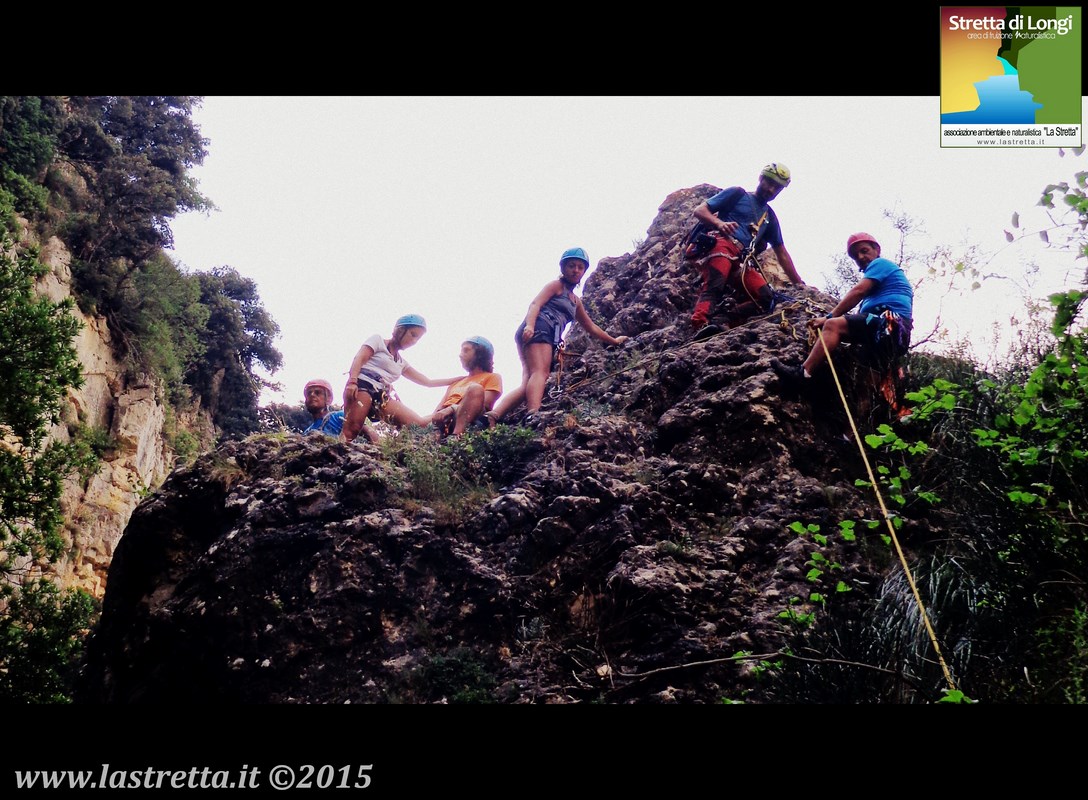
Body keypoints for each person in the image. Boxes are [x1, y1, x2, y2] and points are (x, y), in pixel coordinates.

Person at [488, 247, 629, 427]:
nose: (576, 270)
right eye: (571, 266)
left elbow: (591, 327)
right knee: (540, 372)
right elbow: (535, 304)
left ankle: (492, 416)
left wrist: (614, 341)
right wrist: (530, 325)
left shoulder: (575, 301)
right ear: (563, 267)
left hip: (540, 332)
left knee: (529, 380)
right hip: (540, 327)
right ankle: (533, 414)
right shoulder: (556, 286)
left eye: (580, 267)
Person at [772, 232, 913, 388]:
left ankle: (803, 373)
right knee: (867, 379)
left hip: (888, 322)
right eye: (855, 256)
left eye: (864, 251)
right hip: (892, 332)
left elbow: (858, 292)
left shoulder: (880, 264)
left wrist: (828, 317)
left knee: (833, 325)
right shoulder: (878, 289)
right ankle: (868, 402)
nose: (860, 257)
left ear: (877, 250)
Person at [687, 162, 806, 338]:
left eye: (777, 188)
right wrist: (719, 223)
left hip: (740, 258)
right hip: (722, 243)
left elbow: (781, 253)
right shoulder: (737, 194)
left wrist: (799, 284)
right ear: (761, 178)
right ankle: (700, 323)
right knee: (715, 282)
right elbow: (700, 210)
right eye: (769, 183)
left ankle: (723, 320)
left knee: (766, 297)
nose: (771, 190)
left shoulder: (769, 217)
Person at [341, 314, 459, 443]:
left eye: (417, 339)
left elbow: (427, 382)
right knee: (352, 428)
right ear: (400, 330)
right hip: (363, 385)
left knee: (417, 423)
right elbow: (359, 358)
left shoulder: (402, 363)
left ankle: (451, 411)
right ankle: (338, 450)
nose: (413, 341)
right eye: (413, 335)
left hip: (382, 395)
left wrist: (461, 379)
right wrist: (352, 381)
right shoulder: (378, 341)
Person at [425, 336, 503, 437]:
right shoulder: (456, 383)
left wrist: (451, 409)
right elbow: (438, 410)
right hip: (445, 421)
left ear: (480, 354)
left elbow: (484, 404)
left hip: (469, 418)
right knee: (414, 419)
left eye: (466, 350)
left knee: (475, 388)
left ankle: (456, 435)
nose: (460, 355)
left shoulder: (492, 377)